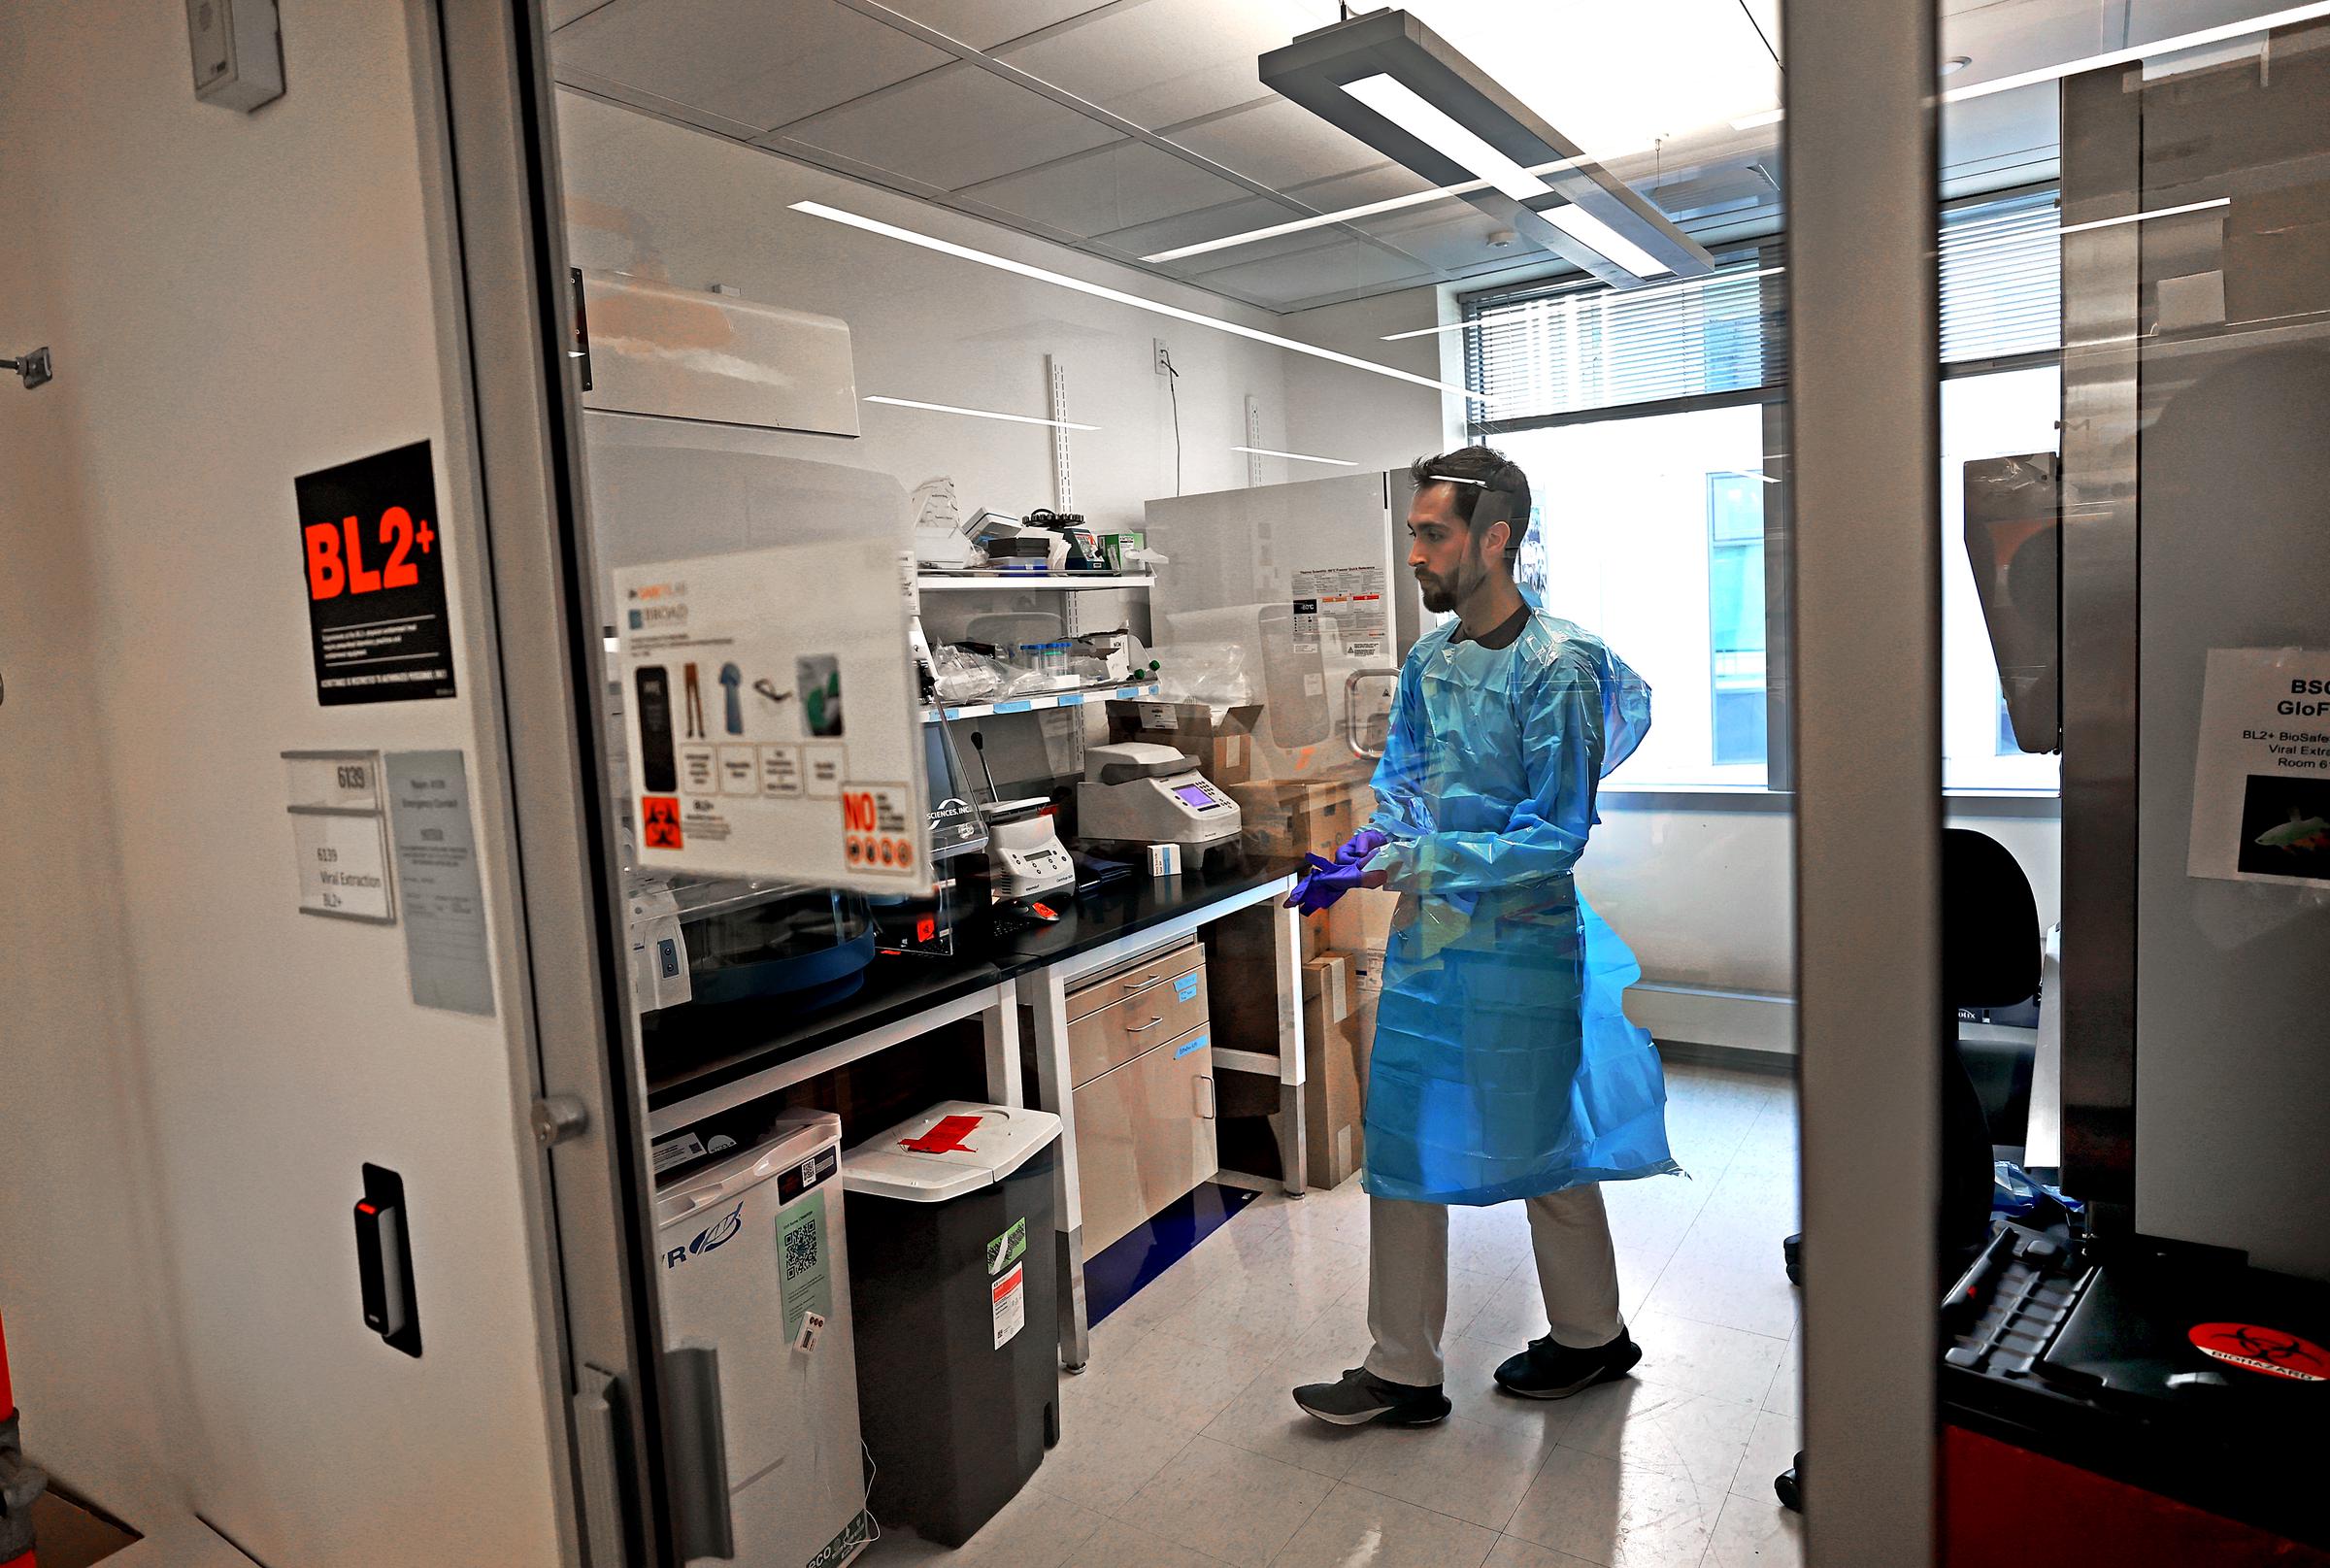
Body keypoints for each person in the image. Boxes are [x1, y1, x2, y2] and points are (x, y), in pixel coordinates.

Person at [1286, 446, 1676, 1427]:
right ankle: (1401, 1370)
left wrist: (1418, 862)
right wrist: (1367, 846)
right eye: (1413, 530)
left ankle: (1592, 1334)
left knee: (1545, 1142)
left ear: (1494, 538)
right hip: (1432, 947)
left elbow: (1553, 837)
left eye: (1432, 532)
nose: (1413, 550)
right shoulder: (1430, 661)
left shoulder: (1561, 668)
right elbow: (1409, 792)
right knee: (1402, 1142)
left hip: (1526, 946)